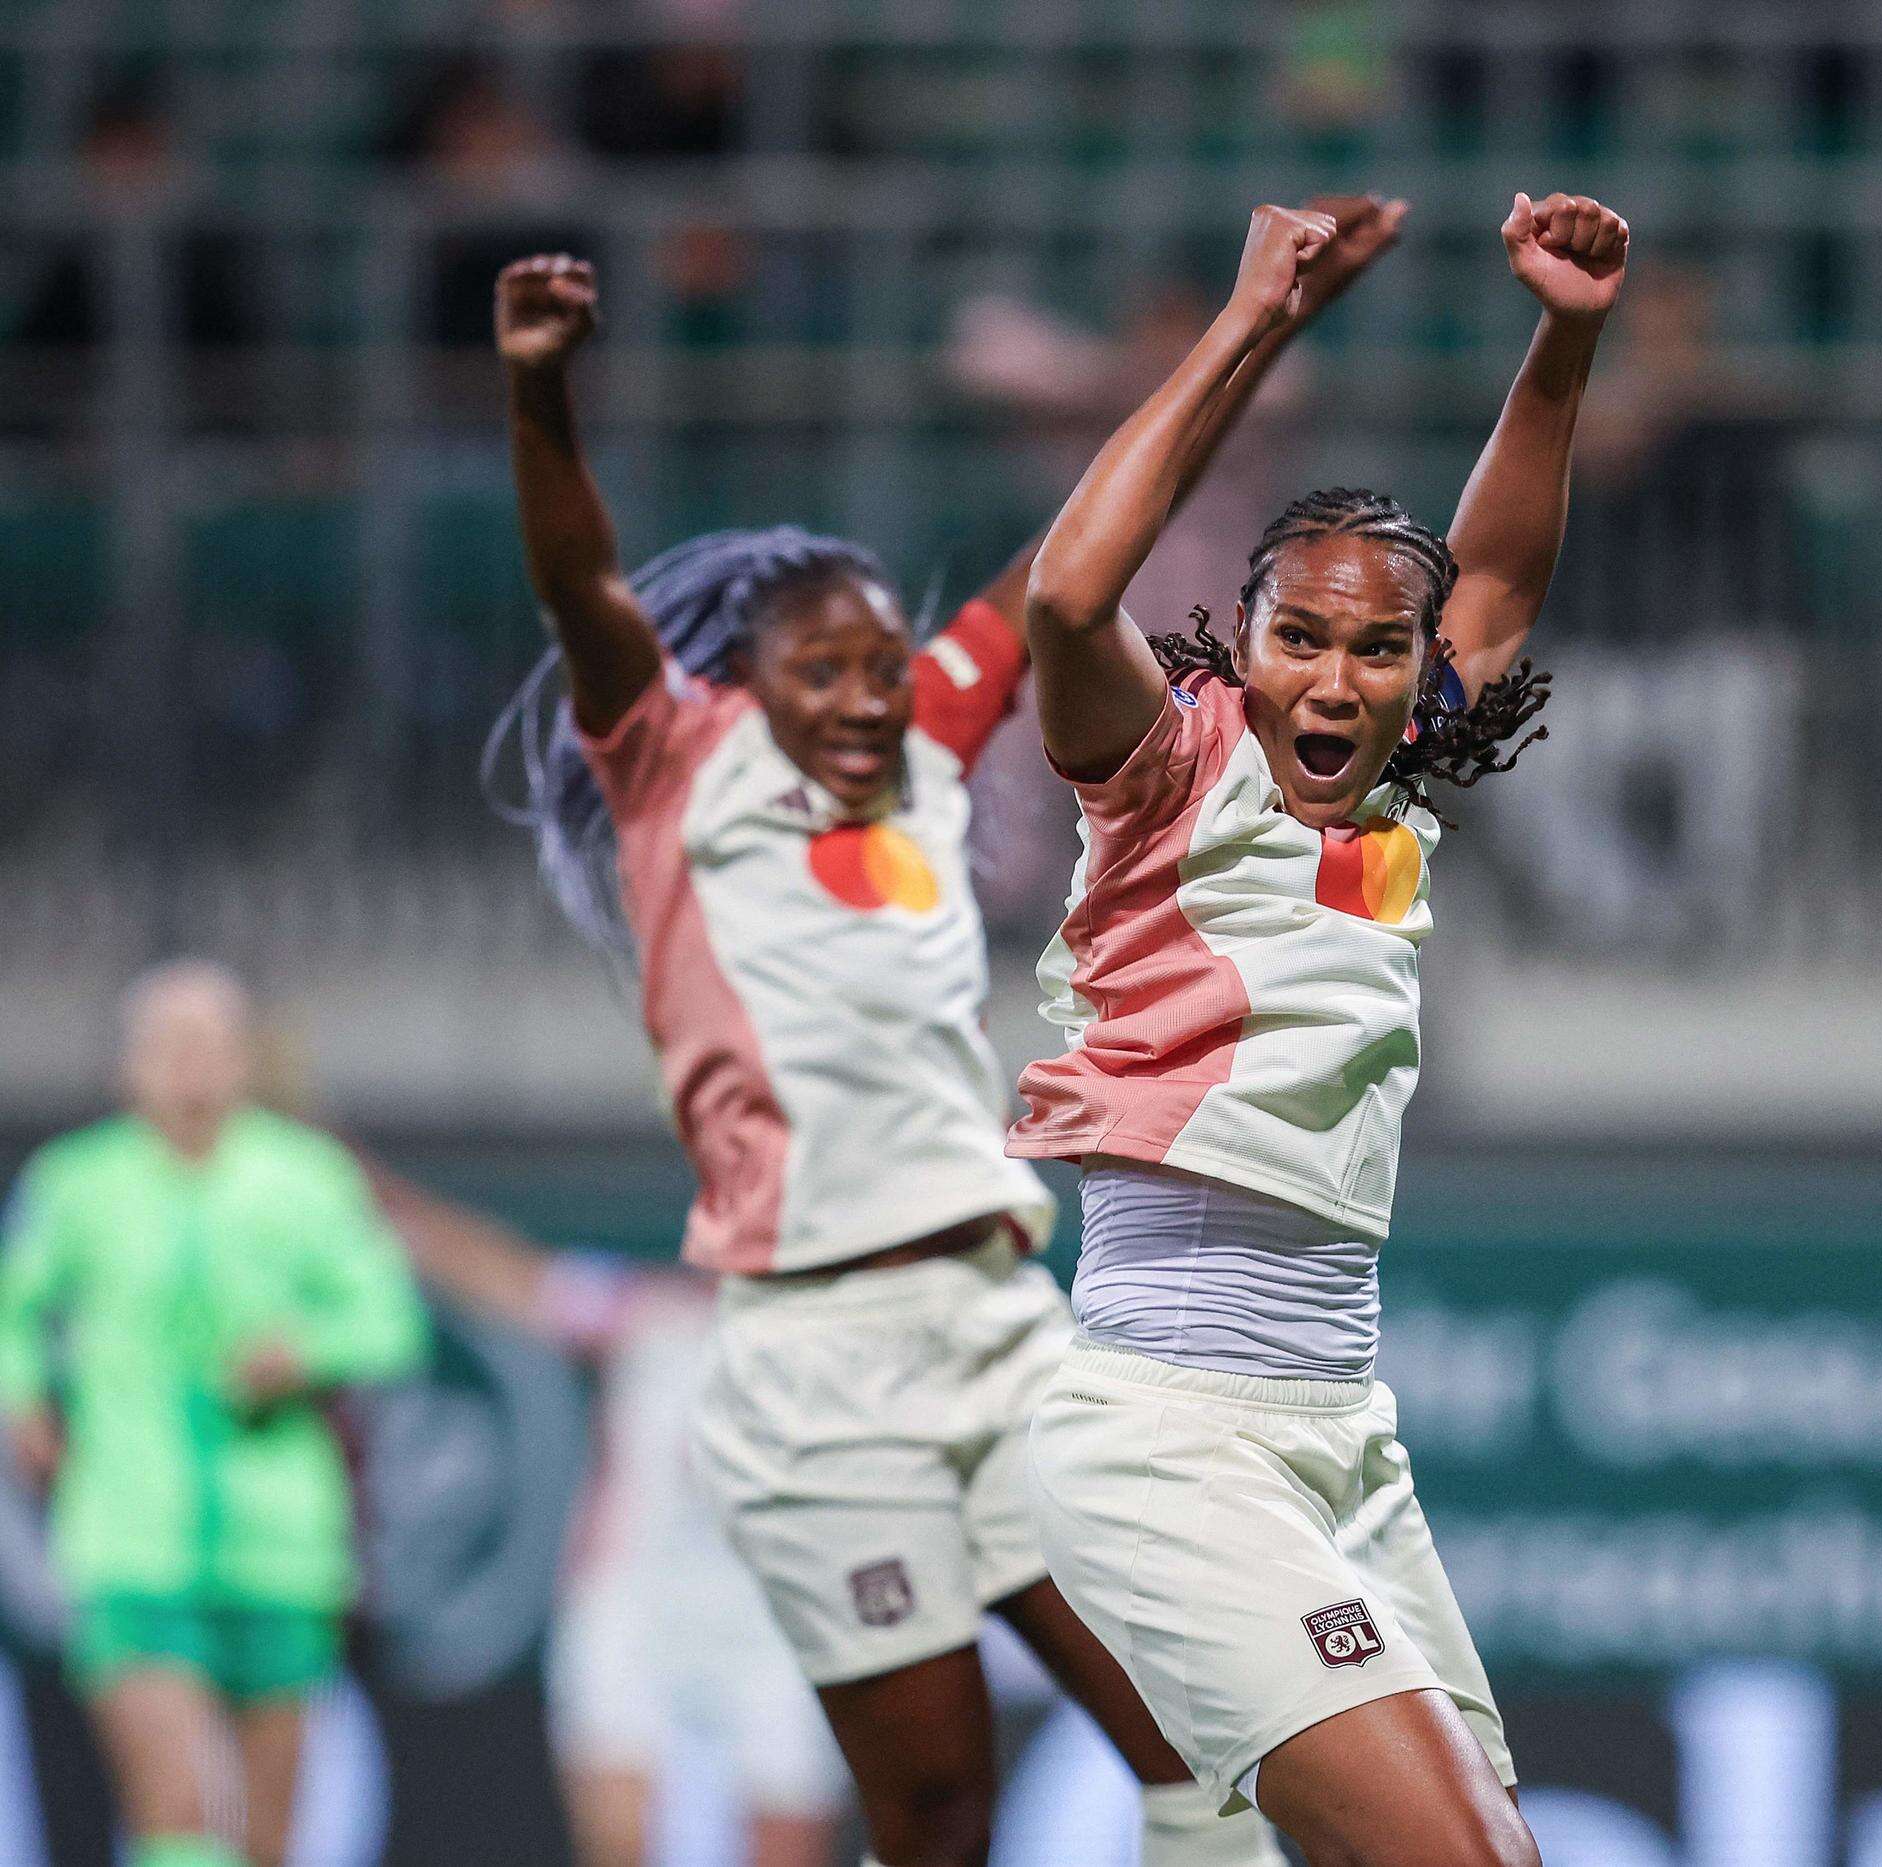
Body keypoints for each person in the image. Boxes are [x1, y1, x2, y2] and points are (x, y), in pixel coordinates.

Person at [484, 206, 1405, 1867]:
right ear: (734, 684)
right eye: (816, 669)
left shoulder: (919, 746)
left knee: (1203, 1739)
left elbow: (1082, 543)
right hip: (817, 1364)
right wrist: (542, 397)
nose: (860, 694)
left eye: (876, 662)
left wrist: (1251, 318)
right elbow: (578, 578)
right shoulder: (674, 766)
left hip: (993, 1320)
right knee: (935, 1815)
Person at [1010, 190, 1629, 1867]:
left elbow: (1494, 570)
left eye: (1378, 648)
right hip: (1169, 1430)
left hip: (1345, 1433)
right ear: (1243, 641)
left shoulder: (1391, 787)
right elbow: (1066, 604)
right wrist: (1256, 320)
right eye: (1301, 639)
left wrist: (1563, 337)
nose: (1339, 681)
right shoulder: (1168, 768)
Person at [0, 962, 431, 1867]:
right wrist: (22, 1398)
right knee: (179, 1812)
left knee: (265, 1837)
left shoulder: (307, 1179)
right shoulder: (78, 1182)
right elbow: (11, 1308)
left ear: (244, 1061)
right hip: (131, 1543)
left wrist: (303, 1352)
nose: (189, 1067)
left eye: (210, 1045)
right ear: (128, 1064)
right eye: (168, 1045)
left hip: (281, 1551)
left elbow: (388, 1319)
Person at [372, 1170, 847, 1867]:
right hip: (636, 1608)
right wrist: (371, 1191)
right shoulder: (641, 1314)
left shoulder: (845, 1340)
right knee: (620, 1844)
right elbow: (500, 1274)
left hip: (780, 1618)